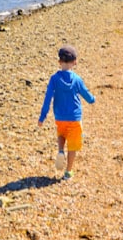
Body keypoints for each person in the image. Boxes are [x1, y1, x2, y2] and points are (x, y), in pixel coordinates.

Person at [38, 45, 95, 180]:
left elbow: (47, 98)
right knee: (73, 146)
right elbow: (87, 95)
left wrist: (42, 117)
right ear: (75, 62)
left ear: (59, 62)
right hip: (74, 117)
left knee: (61, 134)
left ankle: (60, 150)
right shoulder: (77, 79)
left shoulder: (54, 79)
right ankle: (68, 172)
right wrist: (93, 99)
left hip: (59, 116)